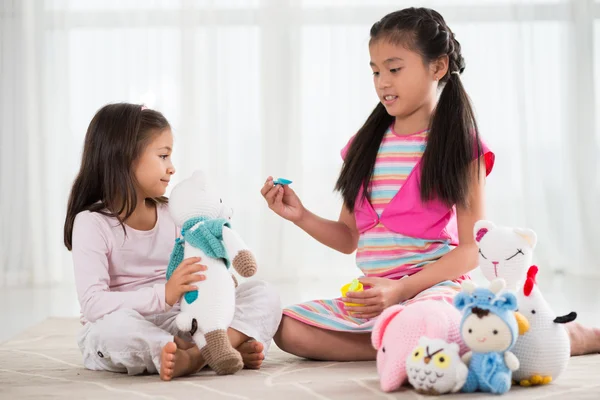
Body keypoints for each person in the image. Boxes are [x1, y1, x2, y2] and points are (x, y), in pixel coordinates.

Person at [261, 7, 600, 362]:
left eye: (394, 69)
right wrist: (299, 215)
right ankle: (425, 340)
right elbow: (349, 238)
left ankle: (543, 333)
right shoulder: (363, 145)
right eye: (375, 71)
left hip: (433, 293)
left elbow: (471, 249)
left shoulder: (460, 147)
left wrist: (403, 289)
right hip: (377, 296)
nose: (382, 82)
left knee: (421, 320)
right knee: (288, 328)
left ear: (437, 67)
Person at [64, 103, 282, 380]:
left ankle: (195, 355)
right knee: (112, 332)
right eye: (163, 156)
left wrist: (219, 281)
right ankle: (218, 347)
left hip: (183, 319)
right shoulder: (92, 222)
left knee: (264, 293)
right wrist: (163, 295)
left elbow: (199, 262)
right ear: (124, 158)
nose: (172, 168)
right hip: (133, 323)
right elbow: (93, 304)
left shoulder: (172, 213)